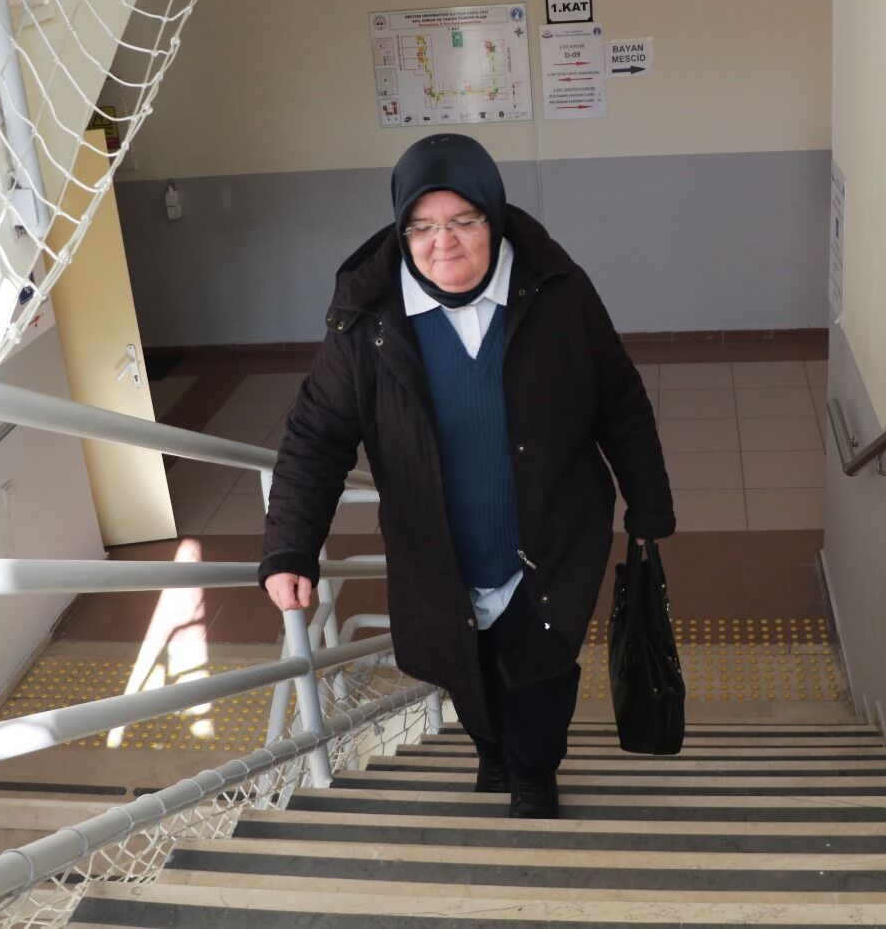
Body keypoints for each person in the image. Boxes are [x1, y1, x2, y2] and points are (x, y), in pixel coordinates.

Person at [259, 133, 673, 818]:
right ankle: (491, 749)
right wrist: (289, 547)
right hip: (438, 557)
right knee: (463, 666)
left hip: (549, 544)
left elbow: (619, 398)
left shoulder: (558, 291)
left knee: (540, 676)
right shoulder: (368, 320)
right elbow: (316, 436)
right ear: (401, 229)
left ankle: (533, 773)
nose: (441, 243)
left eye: (463, 221)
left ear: (494, 216)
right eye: (421, 227)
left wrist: (648, 504)